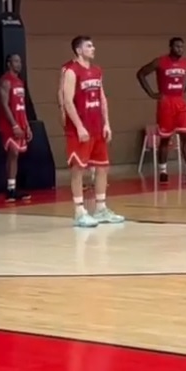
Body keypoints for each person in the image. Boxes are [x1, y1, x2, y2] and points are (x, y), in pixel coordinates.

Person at [60, 36, 124, 228]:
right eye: (89, 46)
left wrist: (107, 124)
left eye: (93, 45)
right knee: (78, 169)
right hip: (80, 129)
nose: (93, 48)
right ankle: (79, 211)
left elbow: (102, 98)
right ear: (79, 50)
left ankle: (101, 208)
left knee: (102, 167)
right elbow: (67, 101)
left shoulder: (97, 70)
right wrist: (79, 126)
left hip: (97, 127)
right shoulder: (71, 71)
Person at [135, 37, 186, 184]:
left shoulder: (185, 63)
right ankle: (163, 172)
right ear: (170, 47)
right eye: (177, 46)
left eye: (182, 47)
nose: (180, 49)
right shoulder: (160, 61)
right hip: (166, 103)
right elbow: (141, 73)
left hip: (180, 103)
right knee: (165, 139)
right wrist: (151, 93)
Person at [0, 53, 33, 203]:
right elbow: (4, 105)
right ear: (9, 64)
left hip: (20, 121)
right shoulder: (5, 81)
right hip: (9, 124)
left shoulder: (20, 82)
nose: (19, 64)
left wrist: (27, 126)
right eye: (15, 61)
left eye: (19, 61)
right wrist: (14, 124)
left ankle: (13, 187)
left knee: (16, 155)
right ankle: (10, 189)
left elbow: (22, 106)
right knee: (13, 153)